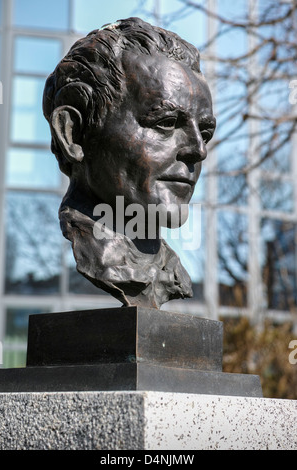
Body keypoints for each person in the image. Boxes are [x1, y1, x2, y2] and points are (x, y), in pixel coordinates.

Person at [43, 17, 216, 308]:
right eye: (167, 122)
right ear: (72, 133)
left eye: (206, 133)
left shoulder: (170, 274)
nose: (199, 150)